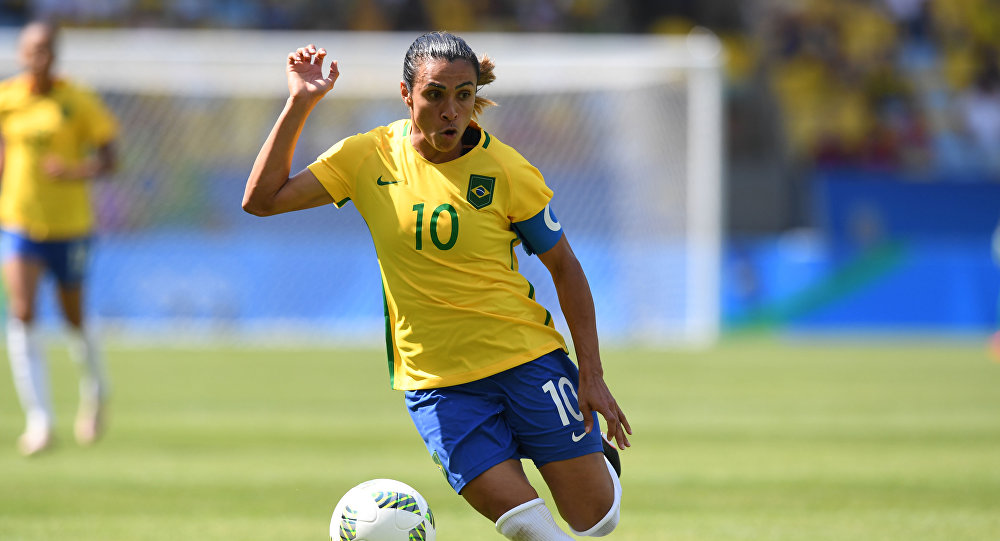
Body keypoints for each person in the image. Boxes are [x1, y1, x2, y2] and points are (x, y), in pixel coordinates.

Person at [243, 32, 631, 540]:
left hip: (523, 358)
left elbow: (566, 269)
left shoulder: (508, 170)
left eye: (463, 95)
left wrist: (592, 375)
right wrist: (300, 103)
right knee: (529, 528)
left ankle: (590, 463)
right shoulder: (368, 156)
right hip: (439, 383)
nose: (451, 111)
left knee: (598, 521)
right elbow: (262, 199)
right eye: (435, 95)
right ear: (407, 94)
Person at [0, 21, 117, 456]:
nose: (39, 55)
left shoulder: (79, 100)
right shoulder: (8, 98)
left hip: (70, 226)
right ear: (21, 54)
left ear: (56, 53)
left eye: (47, 47)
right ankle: (40, 421)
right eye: (32, 48)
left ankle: (97, 390)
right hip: (19, 222)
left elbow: (110, 160)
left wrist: (72, 172)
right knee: (24, 311)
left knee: (73, 319)